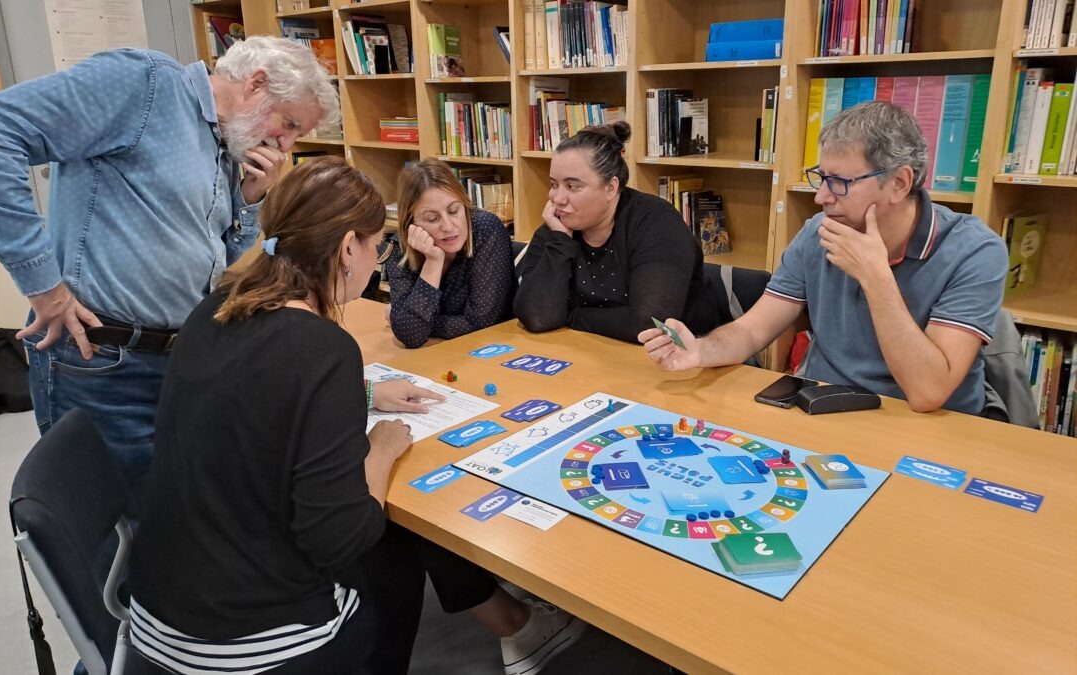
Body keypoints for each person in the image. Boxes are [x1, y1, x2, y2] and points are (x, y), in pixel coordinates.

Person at [128, 158, 584, 675]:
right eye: (377, 245)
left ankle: (510, 619)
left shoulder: (219, 306)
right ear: (348, 248)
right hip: (250, 643)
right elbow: (343, 534)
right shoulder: (322, 348)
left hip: (157, 614)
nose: (377, 257)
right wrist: (384, 448)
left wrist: (364, 392)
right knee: (394, 535)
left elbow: (258, 390)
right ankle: (510, 626)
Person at [0, 36, 335, 490]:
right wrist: (44, 286)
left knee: (166, 518)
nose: (287, 144)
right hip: (101, 359)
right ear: (257, 84)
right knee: (113, 536)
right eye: (290, 124)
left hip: (175, 357)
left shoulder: (226, 141)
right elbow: (1, 132)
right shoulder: (144, 83)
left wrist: (252, 199)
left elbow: (213, 259)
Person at [640, 102, 1007, 415]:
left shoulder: (975, 251)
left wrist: (875, 276)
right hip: (823, 407)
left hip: (931, 427)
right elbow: (753, 329)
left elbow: (928, 393)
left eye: (840, 183)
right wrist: (700, 351)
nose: (822, 198)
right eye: (821, 178)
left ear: (899, 183)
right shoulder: (820, 231)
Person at [514, 122, 720, 343]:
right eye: (554, 184)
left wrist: (570, 315)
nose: (558, 199)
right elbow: (536, 317)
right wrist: (560, 242)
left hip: (688, 359)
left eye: (573, 186)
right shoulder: (557, 226)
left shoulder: (656, 222)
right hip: (594, 354)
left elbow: (650, 324)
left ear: (611, 188)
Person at [386, 158, 514, 348]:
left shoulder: (486, 229)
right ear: (411, 223)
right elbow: (411, 336)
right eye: (432, 218)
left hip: (492, 348)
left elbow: (482, 323)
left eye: (454, 211)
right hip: (442, 353)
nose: (448, 226)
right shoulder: (400, 248)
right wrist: (433, 262)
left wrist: (413, 320)